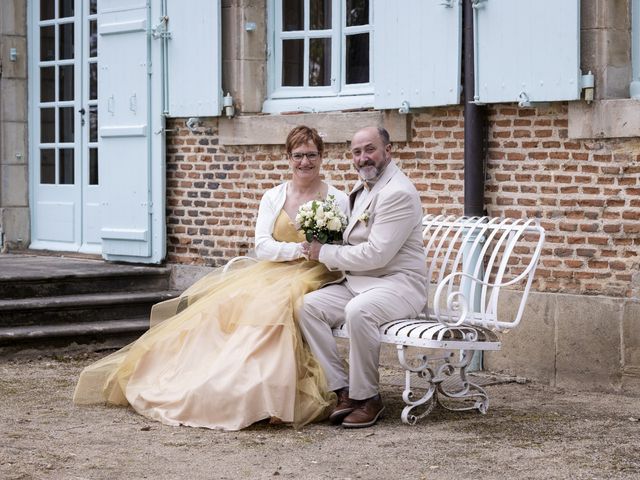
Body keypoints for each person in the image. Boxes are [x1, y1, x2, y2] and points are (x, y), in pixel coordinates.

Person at [73, 126, 349, 431]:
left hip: (316, 273)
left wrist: (320, 250)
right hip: (274, 270)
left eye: (311, 155)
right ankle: (217, 380)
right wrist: (297, 248)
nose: (305, 162)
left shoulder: (337, 198)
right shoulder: (274, 196)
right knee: (229, 304)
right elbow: (263, 245)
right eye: (298, 155)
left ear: (322, 156)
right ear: (288, 158)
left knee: (278, 305)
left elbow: (345, 245)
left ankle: (268, 390)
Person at [299, 126, 428, 428]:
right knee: (307, 307)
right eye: (356, 152)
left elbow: (377, 255)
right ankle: (343, 389)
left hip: (399, 285)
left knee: (358, 312)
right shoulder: (365, 187)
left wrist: (324, 253)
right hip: (361, 282)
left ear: (388, 150)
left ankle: (368, 397)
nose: (363, 157)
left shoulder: (397, 193)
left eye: (369, 149)